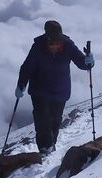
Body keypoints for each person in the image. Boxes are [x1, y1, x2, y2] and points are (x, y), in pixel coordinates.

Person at [15, 20, 94, 155]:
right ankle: (44, 148)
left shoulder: (68, 45)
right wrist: (20, 85)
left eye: (58, 42)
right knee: (42, 119)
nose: (55, 46)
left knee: (55, 120)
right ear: (46, 38)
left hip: (60, 90)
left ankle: (52, 145)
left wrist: (89, 62)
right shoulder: (38, 47)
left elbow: (81, 62)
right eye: (52, 43)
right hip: (39, 89)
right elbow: (27, 67)